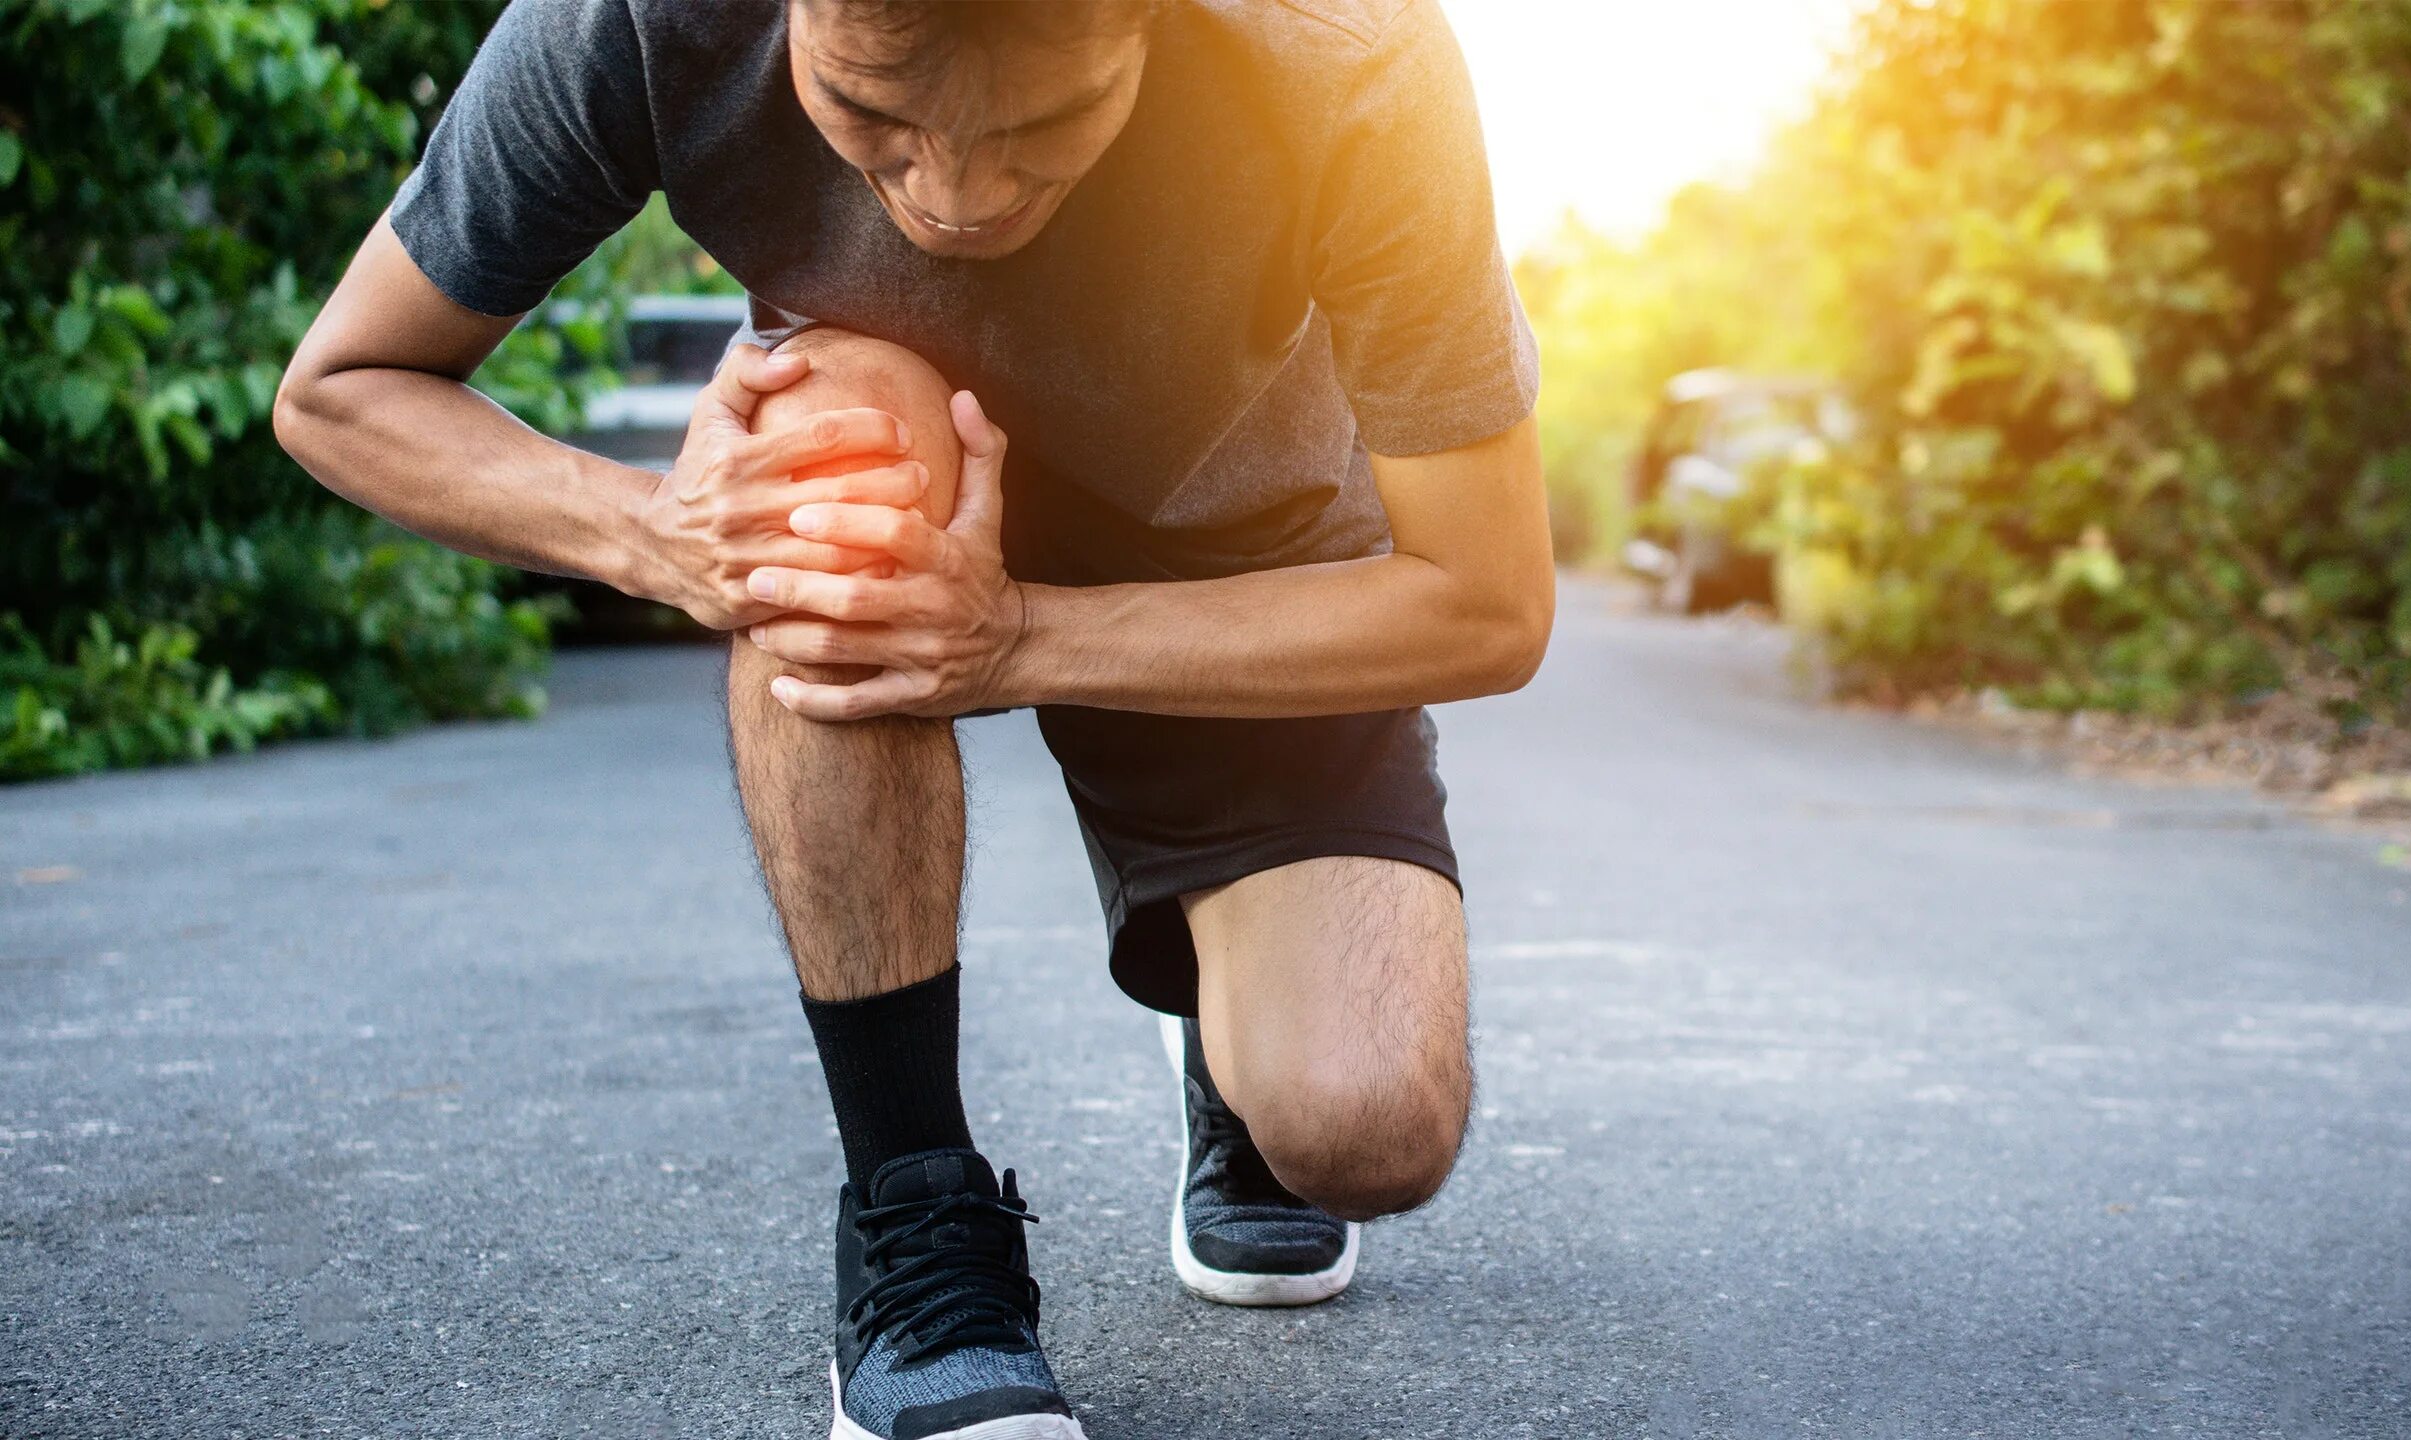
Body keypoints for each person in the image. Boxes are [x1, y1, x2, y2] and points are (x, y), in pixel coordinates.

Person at [276, 0, 1549, 1434]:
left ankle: (1219, 1002)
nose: (956, 195)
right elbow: (340, 388)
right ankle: (916, 1213)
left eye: (1039, 126)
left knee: (1362, 1131)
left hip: (1246, 541)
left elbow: (1487, 602)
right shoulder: (635, 19)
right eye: (872, 107)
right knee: (823, 458)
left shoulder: (1349, 53)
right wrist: (662, 533)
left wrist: (1018, 640)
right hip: (893, 456)